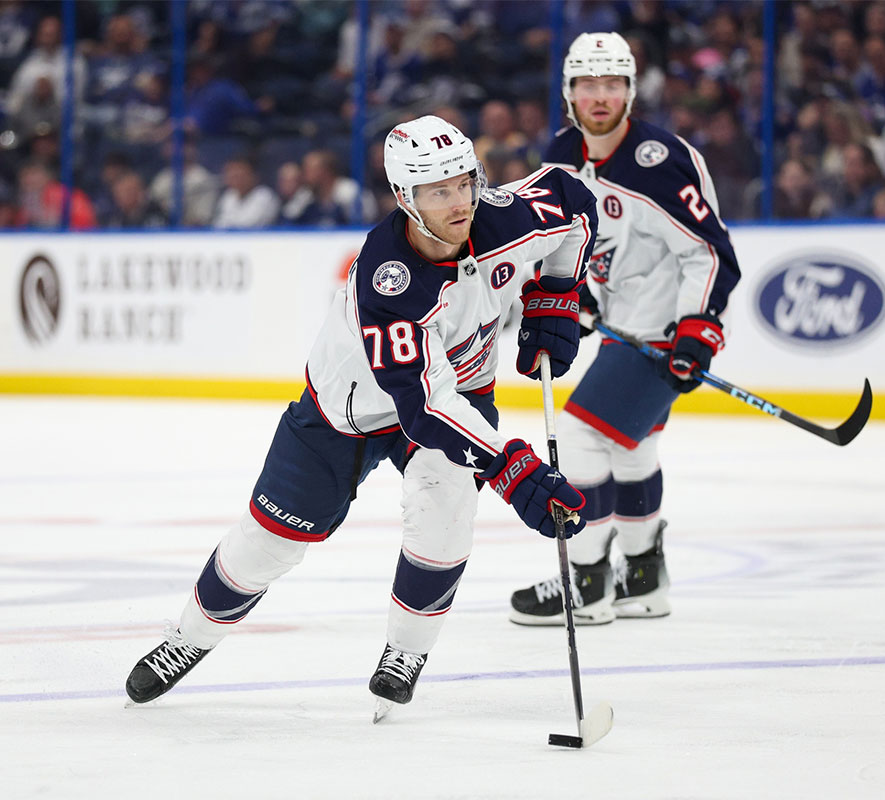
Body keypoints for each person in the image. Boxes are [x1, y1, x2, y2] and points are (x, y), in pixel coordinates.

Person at [125, 115, 599, 719]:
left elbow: (574, 203)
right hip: (346, 412)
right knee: (267, 544)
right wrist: (511, 465)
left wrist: (555, 297)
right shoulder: (390, 278)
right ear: (406, 199)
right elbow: (423, 406)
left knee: (445, 513)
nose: (459, 202)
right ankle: (186, 639)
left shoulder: (502, 215)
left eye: (464, 183)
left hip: (458, 391)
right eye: (438, 191)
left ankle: (405, 653)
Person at [508, 32, 741, 626]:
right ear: (569, 93)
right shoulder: (563, 154)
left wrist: (697, 330)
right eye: (588, 84)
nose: (600, 96)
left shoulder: (658, 162)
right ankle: (641, 579)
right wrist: (575, 296)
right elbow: (567, 241)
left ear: (631, 91)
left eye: (613, 84)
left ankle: (584, 583)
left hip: (670, 326)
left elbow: (712, 255)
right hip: (624, 322)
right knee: (631, 447)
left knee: (584, 436)